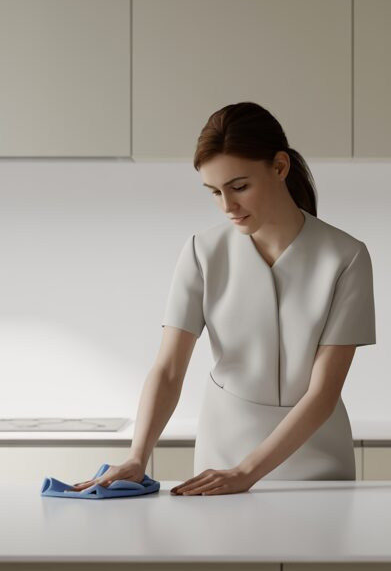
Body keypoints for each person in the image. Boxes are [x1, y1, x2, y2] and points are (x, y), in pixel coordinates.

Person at [72, 102, 375, 496]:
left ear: (280, 167)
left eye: (239, 187)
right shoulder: (203, 251)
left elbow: (324, 392)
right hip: (223, 450)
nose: (227, 206)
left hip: (317, 454)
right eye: (214, 192)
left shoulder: (346, 256)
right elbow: (168, 370)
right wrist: (136, 456)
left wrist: (247, 472)